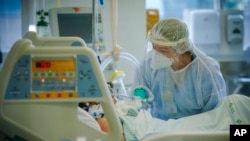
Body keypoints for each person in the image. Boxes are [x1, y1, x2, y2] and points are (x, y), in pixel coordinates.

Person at [133, 18, 227, 120]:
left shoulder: (207, 71)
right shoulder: (147, 65)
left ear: (182, 47)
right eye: (154, 48)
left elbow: (215, 115)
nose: (156, 55)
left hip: (196, 131)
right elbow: (139, 102)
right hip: (159, 130)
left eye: (163, 50)